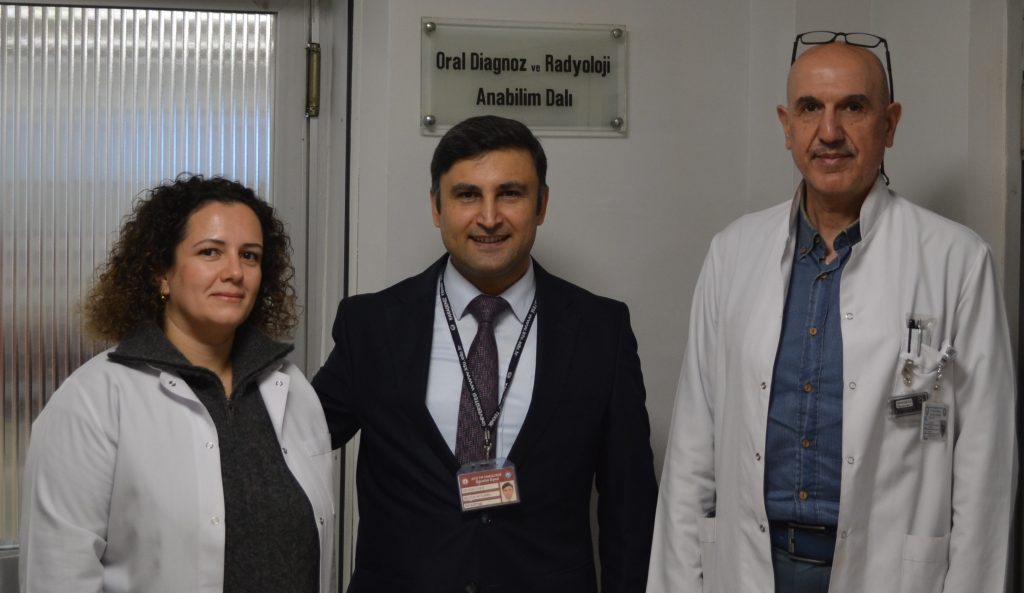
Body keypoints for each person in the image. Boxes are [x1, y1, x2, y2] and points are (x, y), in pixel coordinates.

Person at [647, 34, 1016, 593]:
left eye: (853, 107)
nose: (829, 131)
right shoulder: (733, 251)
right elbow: (693, 447)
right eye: (809, 108)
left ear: (889, 125)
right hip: (751, 564)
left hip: (890, 571)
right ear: (786, 126)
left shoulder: (956, 259)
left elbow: (985, 465)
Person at [313, 115, 658, 592]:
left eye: (510, 193)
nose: (489, 217)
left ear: (542, 205)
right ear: (436, 207)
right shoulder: (372, 326)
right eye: (467, 195)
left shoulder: (601, 331)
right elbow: (294, 443)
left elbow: (630, 508)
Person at [19, 175, 335, 593]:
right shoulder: (92, 401)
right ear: (162, 273)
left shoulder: (293, 388)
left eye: (250, 256)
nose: (235, 272)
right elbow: (58, 574)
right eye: (210, 252)